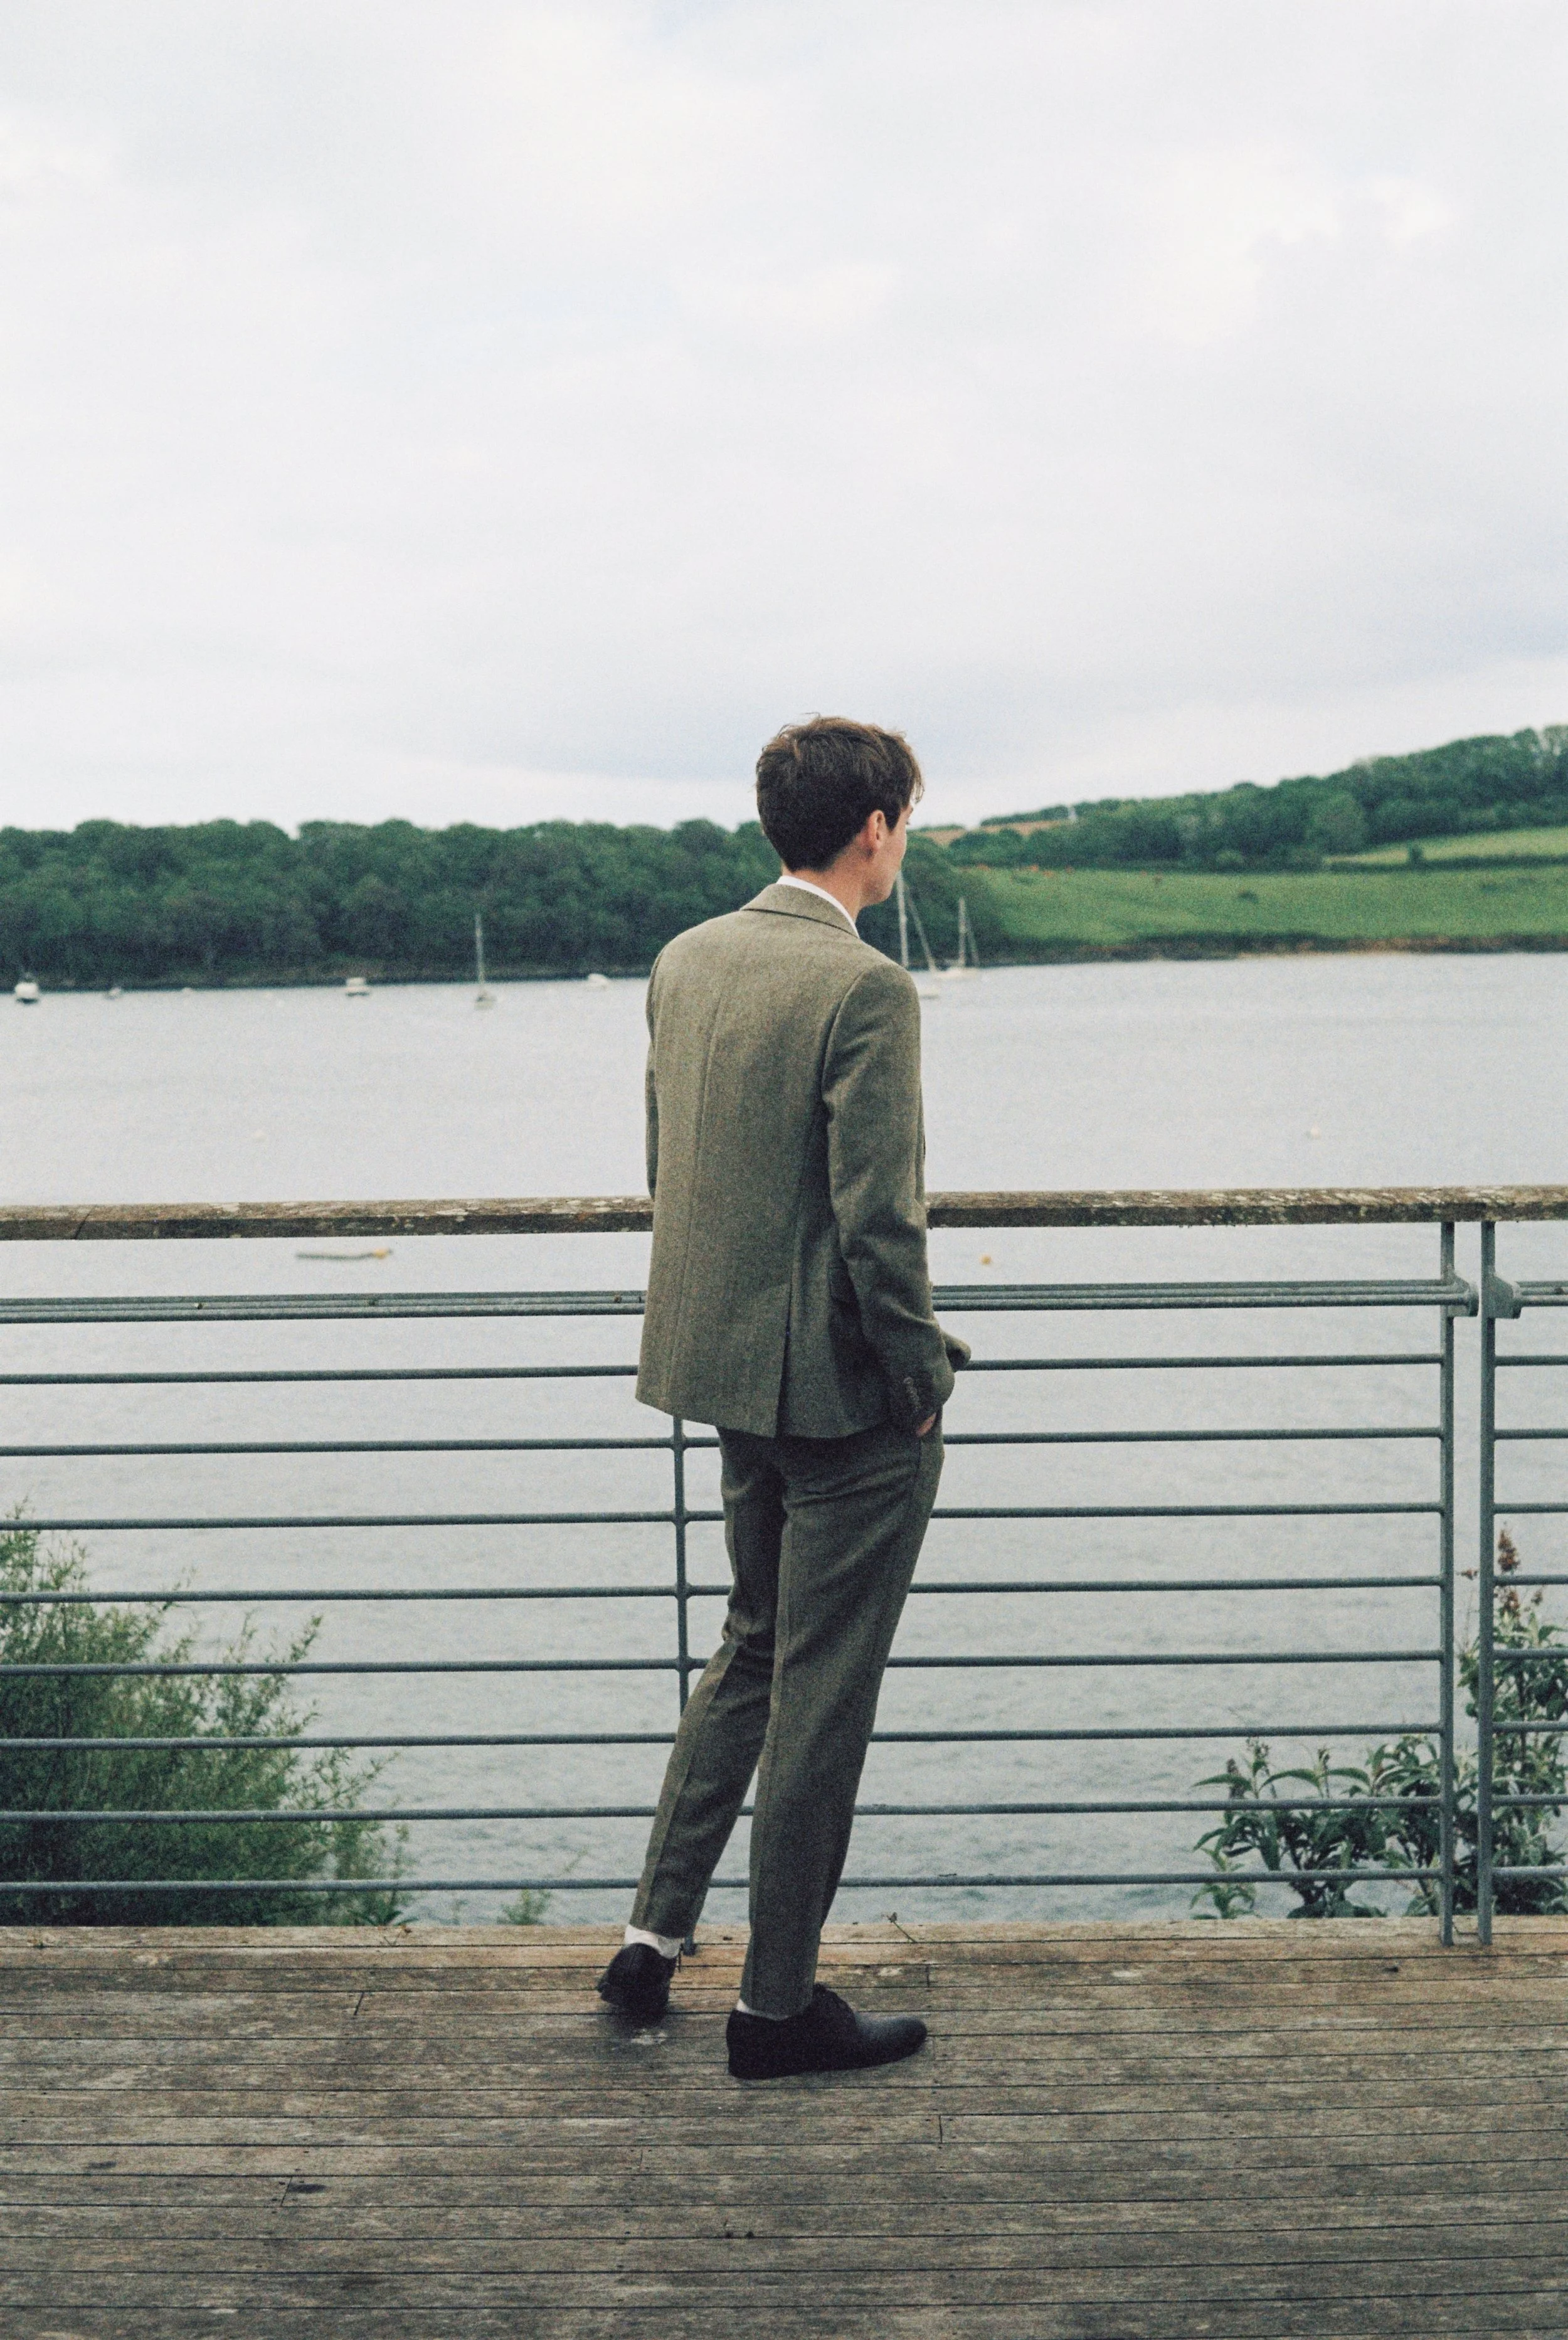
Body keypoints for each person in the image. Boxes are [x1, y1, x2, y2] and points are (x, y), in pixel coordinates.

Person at [596, 715, 968, 2080]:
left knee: (749, 1645)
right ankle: (773, 2004)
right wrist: (918, 1375)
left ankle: (650, 1935)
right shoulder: (864, 986)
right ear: (872, 829)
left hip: (723, 1364)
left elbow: (668, 1164)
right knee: (820, 1686)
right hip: (842, 1395)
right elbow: (880, 1219)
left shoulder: (686, 958)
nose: (903, 841)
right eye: (904, 821)